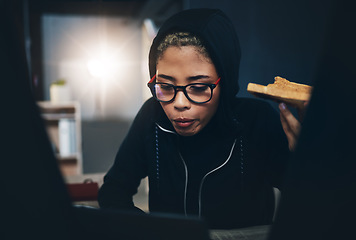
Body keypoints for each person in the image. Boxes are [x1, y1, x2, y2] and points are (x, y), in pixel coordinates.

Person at [98, 8, 302, 229]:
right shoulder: (152, 116)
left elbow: (311, 204)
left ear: (224, 82)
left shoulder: (257, 121)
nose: (179, 103)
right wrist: (151, 232)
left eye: (197, 87)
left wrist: (309, 162)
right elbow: (113, 191)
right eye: (166, 86)